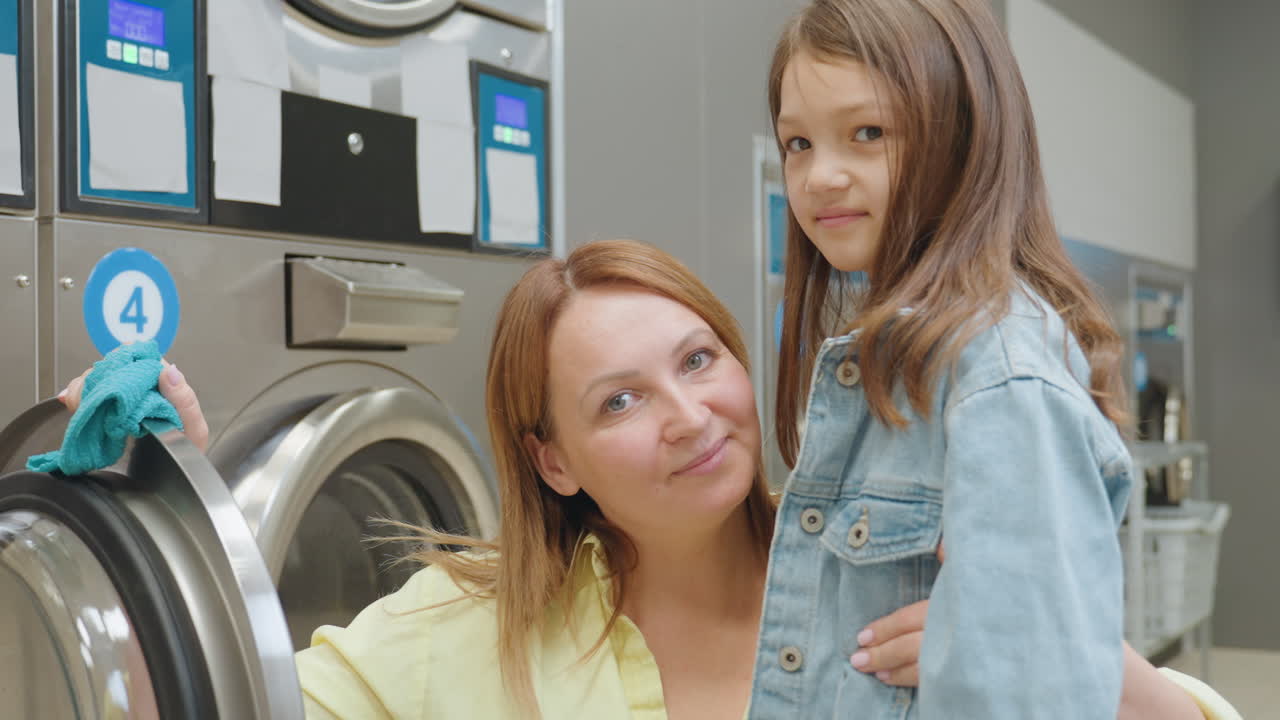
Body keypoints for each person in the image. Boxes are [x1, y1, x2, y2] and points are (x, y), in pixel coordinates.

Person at [61, 241, 1237, 720]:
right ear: (551, 461)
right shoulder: (476, 631)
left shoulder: (893, 586)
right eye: (618, 400)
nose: (688, 418)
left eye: (698, 361)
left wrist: (1057, 655)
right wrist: (177, 516)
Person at [750, 0, 1198, 718]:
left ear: (962, 141)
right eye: (798, 143)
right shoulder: (896, 357)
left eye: (867, 133)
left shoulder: (998, 377)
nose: (820, 176)